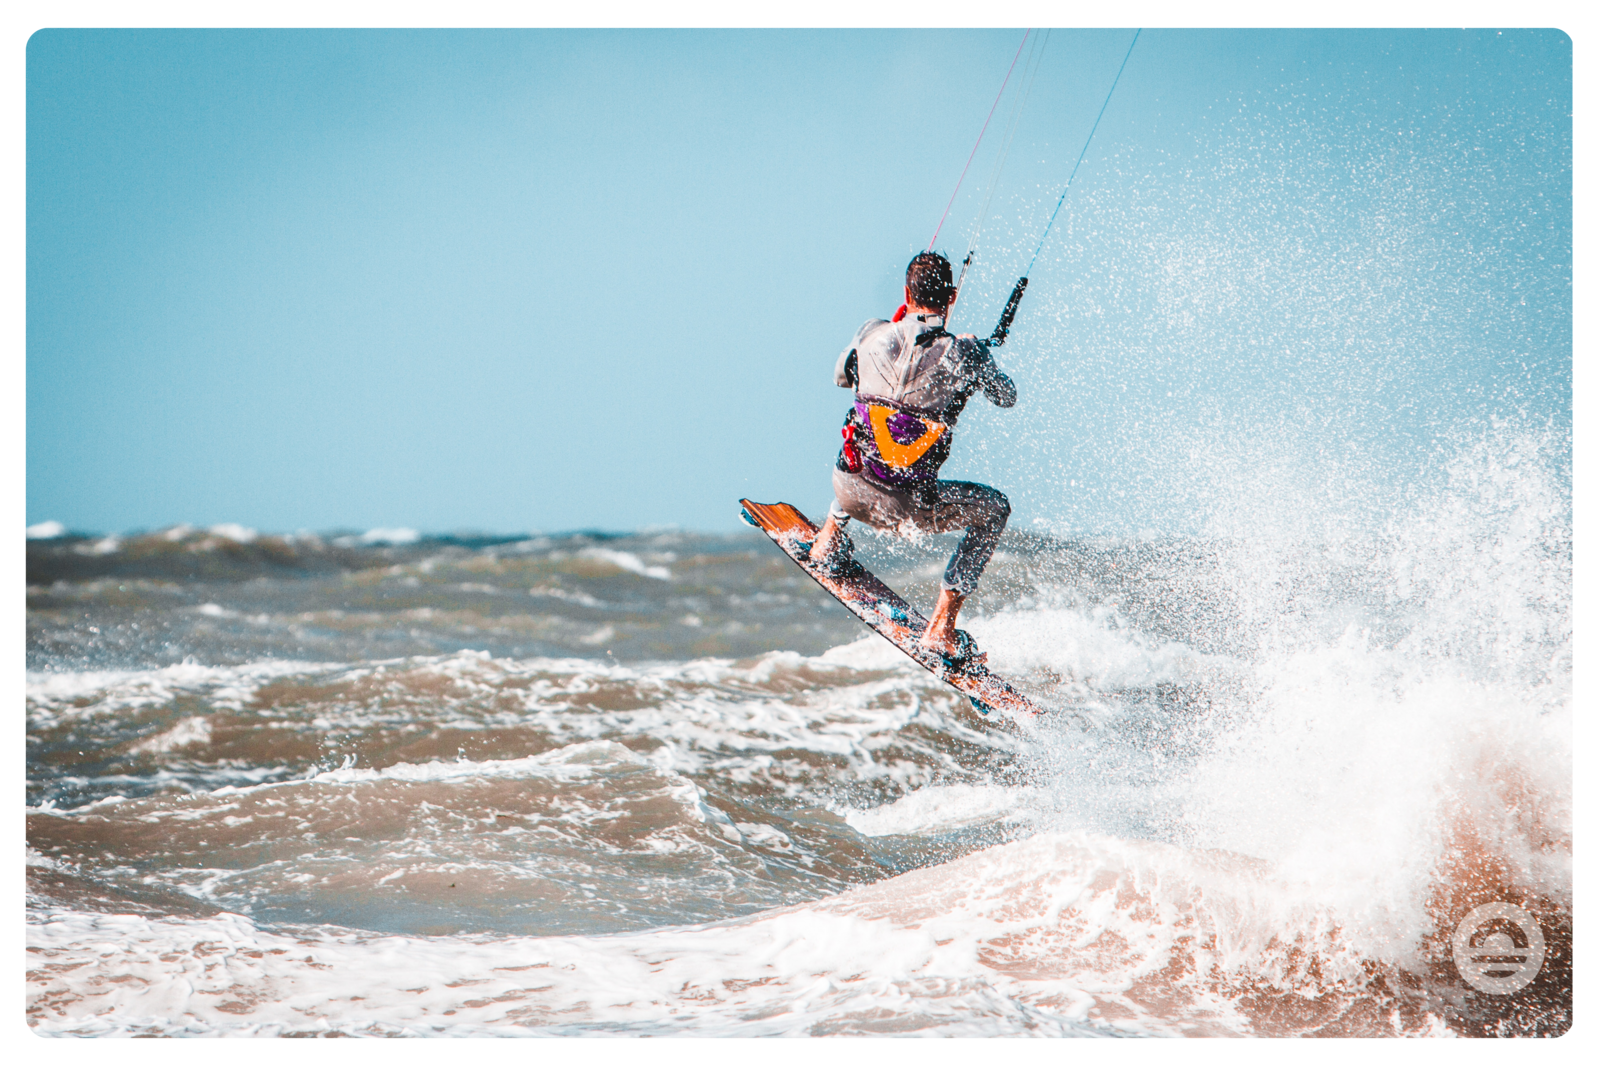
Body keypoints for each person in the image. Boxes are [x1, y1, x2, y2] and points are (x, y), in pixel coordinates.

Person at [807, 251, 1016, 665]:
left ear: (906, 292)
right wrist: (978, 359)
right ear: (951, 298)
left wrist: (889, 334)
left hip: (846, 489)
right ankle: (942, 627)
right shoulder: (966, 354)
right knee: (996, 510)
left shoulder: (871, 332)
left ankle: (828, 538)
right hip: (907, 508)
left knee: (863, 426)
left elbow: (840, 377)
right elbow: (1006, 397)